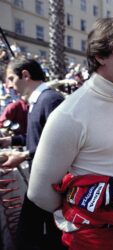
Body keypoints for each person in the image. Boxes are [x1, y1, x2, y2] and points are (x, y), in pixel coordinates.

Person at [27, 17, 113, 250]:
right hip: (93, 238)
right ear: (100, 56)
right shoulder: (68, 115)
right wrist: (87, 218)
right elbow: (39, 192)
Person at [0, 58, 66, 250]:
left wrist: (24, 155)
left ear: (26, 75)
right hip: (42, 183)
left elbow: (60, 143)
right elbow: (39, 137)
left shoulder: (50, 100)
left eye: (11, 78)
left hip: (51, 186)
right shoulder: (39, 100)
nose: (9, 85)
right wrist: (11, 141)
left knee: (30, 236)